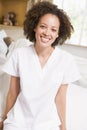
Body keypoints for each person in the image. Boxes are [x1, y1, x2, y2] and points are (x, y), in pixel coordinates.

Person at [1, 1, 81, 130]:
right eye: (43, 26)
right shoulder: (19, 55)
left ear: (58, 34)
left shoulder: (66, 60)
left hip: (47, 124)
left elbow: (60, 99)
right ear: (34, 27)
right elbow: (12, 93)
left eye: (53, 29)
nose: (47, 33)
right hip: (17, 121)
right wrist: (5, 120)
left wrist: (64, 128)